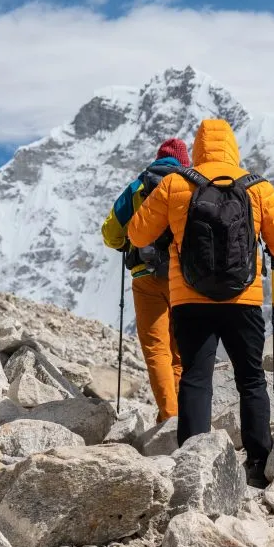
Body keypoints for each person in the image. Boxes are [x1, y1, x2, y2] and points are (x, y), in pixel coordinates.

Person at [128, 118, 274, 487]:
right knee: (251, 379)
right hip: (244, 300)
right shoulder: (256, 187)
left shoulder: (176, 183)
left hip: (190, 300)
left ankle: (192, 466)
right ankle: (258, 464)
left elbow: (137, 232)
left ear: (199, 148)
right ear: (233, 148)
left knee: (195, 378)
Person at [101, 139, 190, 423]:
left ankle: (168, 414)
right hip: (182, 277)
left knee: (156, 349)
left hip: (145, 276)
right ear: (184, 162)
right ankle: (184, 416)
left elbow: (111, 232)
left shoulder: (138, 186)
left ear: (158, 159)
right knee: (181, 350)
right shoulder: (190, 185)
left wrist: (127, 243)